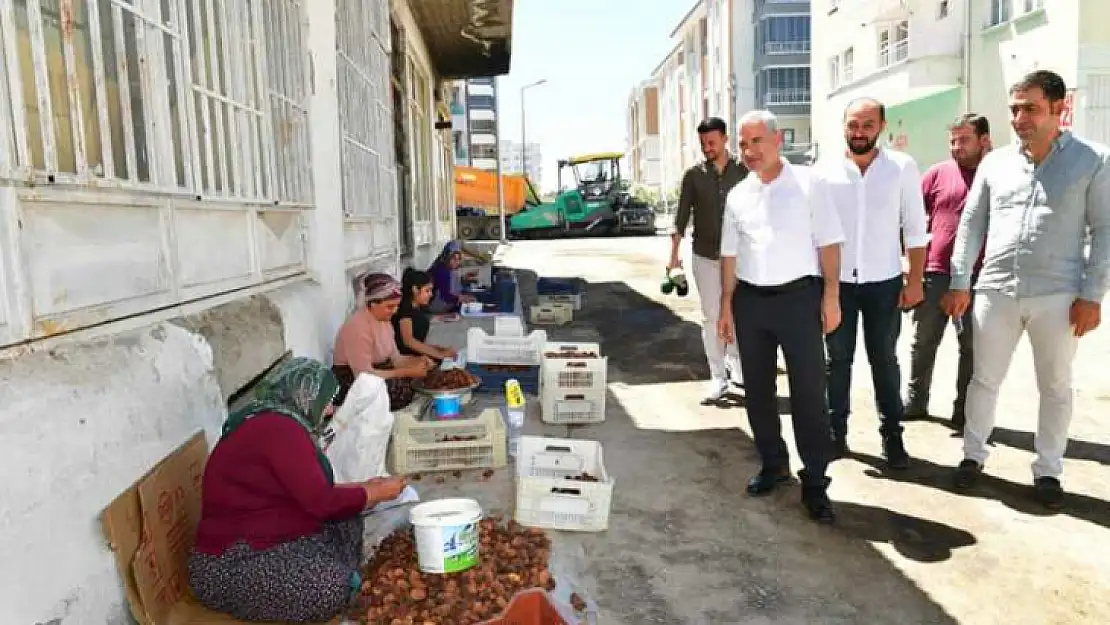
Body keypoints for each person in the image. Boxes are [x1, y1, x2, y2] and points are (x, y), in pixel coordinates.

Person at [943, 70, 1110, 509]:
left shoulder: (1092, 160)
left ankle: (1049, 469)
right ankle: (973, 456)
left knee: (1055, 385)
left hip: (1059, 294)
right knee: (984, 379)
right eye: (1015, 108)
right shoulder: (995, 163)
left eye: (1031, 108)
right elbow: (971, 225)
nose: (1020, 118)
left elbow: (1105, 229)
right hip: (995, 289)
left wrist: (1093, 295)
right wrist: (961, 281)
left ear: (1060, 109)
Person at [188, 357, 408, 622]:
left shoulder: (277, 422)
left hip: (270, 534)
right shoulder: (279, 430)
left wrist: (366, 487)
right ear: (304, 396)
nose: (329, 410)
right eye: (327, 401)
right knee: (327, 588)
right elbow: (321, 502)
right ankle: (331, 575)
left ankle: (329, 567)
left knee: (348, 520)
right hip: (232, 561)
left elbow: (309, 489)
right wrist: (376, 493)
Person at [716, 110, 844, 524]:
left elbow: (829, 243)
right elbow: (730, 255)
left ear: (777, 140)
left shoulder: (810, 183)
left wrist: (831, 296)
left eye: (756, 142)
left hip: (799, 299)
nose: (749, 151)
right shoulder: (738, 195)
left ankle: (816, 480)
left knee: (809, 392)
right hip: (750, 303)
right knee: (757, 390)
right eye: (743, 144)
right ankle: (773, 463)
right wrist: (725, 308)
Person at [816, 97, 929, 469]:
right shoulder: (824, 172)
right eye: (853, 125)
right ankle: (835, 434)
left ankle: (892, 437)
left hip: (885, 283)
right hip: (838, 285)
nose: (859, 132)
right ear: (843, 127)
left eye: (867, 125)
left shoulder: (901, 168)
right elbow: (814, 232)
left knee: (884, 360)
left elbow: (915, 228)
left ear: (881, 126)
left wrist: (915, 280)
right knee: (837, 361)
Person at [904, 114, 992, 431]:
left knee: (972, 346)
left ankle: (964, 413)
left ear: (984, 139)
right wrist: (908, 263)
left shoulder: (998, 175)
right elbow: (911, 217)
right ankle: (915, 403)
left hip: (981, 277)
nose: (956, 147)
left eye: (964, 139)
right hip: (935, 272)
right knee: (923, 340)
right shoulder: (937, 174)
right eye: (952, 140)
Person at [669, 117, 749, 401]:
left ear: (725, 139)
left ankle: (737, 365)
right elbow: (680, 219)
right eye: (703, 143)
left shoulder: (744, 171)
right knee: (712, 316)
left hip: (741, 258)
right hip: (704, 256)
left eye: (712, 142)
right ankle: (718, 377)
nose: (707, 148)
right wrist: (673, 258)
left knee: (740, 314)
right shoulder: (693, 176)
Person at [333, 273, 435, 410]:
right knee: (398, 390)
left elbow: (396, 359)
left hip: (379, 370)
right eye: (390, 306)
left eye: (397, 306)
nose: (395, 311)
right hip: (352, 379)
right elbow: (364, 375)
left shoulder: (384, 321)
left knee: (426, 375)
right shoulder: (357, 327)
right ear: (373, 304)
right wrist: (406, 372)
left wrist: (418, 360)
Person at [394, 267, 459, 361]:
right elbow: (409, 341)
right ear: (415, 289)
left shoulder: (417, 307)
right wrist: (439, 354)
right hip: (405, 359)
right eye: (427, 290)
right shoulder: (405, 310)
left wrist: (438, 349)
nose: (431, 294)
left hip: (416, 355)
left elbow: (418, 342)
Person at [427, 240, 477, 313]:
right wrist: (463, 298)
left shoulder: (448, 268)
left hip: (444, 304)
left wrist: (463, 280)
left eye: (458, 259)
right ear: (447, 257)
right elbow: (446, 296)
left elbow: (452, 285)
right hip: (435, 307)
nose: (456, 262)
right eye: (453, 259)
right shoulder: (441, 271)